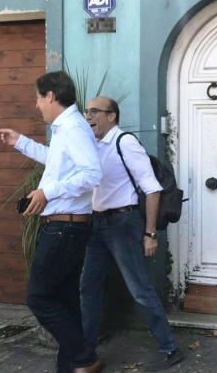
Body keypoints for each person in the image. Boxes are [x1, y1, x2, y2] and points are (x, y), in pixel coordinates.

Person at [0, 71, 103, 373]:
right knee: (65, 299)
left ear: (50, 96)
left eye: (37, 99)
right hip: (65, 226)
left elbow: (92, 174)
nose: (36, 106)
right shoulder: (67, 127)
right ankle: (72, 365)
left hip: (65, 228)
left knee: (40, 297)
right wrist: (20, 141)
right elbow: (57, 162)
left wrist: (48, 191)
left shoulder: (72, 127)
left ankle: (84, 357)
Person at [80, 96, 184, 372]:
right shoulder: (94, 146)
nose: (88, 116)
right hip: (98, 225)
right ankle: (86, 352)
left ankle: (169, 348)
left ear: (112, 116)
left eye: (94, 112)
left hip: (124, 224)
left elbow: (152, 189)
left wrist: (150, 233)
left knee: (140, 289)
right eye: (86, 111)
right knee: (88, 288)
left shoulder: (124, 142)